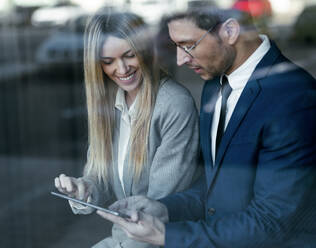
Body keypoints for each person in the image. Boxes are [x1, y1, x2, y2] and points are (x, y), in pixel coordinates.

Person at [97, 7, 316, 248]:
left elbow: (270, 221)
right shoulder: (214, 83)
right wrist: (165, 209)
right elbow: (218, 186)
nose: (180, 59)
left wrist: (165, 235)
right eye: (175, 47)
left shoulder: (294, 98)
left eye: (188, 45)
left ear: (230, 31)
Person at [54, 11, 200, 248]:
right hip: (126, 240)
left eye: (129, 55)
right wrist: (84, 188)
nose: (121, 69)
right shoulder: (111, 101)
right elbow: (101, 177)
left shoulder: (173, 103)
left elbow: (155, 212)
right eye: (108, 61)